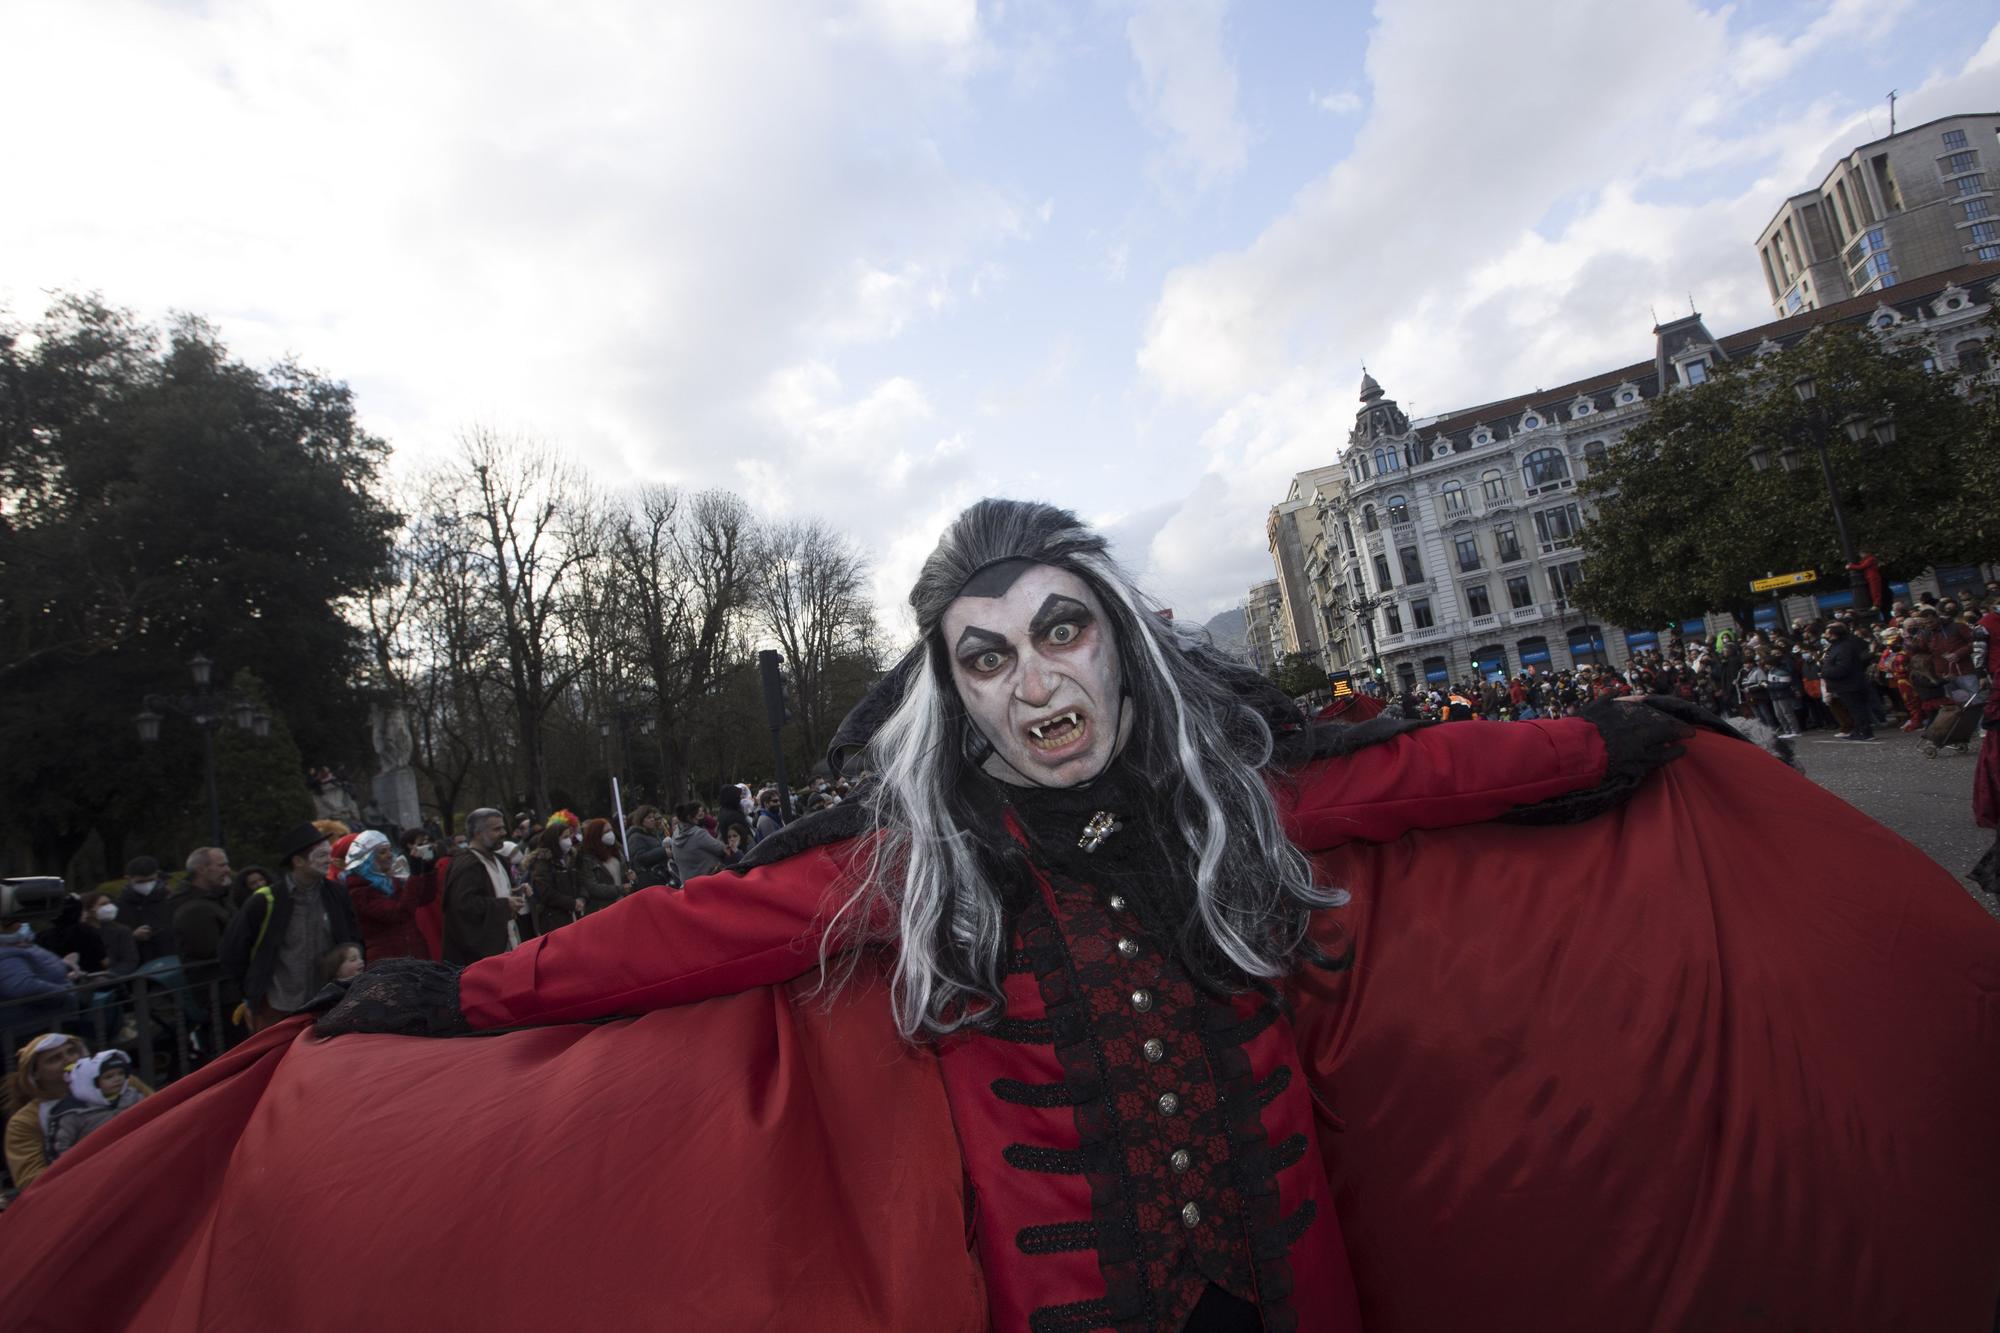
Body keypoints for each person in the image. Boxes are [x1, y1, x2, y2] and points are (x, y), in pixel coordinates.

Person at [8, 499, 2000, 1333]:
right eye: (989, 657)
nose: (1039, 684)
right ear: (946, 689)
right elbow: (679, 937)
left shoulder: (1234, 797)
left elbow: (1420, 775)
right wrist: (458, 997)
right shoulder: (907, 872)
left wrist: (1616, 739)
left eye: (1065, 635)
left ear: (1119, 646)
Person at [218, 824, 362, 1032]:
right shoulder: (265, 901)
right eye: (321, 855)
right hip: (279, 1008)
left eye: (328, 854)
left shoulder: (337, 894)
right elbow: (232, 951)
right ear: (298, 861)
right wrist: (251, 992)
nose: (328, 860)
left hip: (329, 1005)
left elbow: (353, 937)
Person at [441, 809, 529, 965]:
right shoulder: (467, 865)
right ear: (478, 833)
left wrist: (515, 891)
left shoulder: (500, 860)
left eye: (503, 827)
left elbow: (493, 891)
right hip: (482, 958)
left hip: (508, 945)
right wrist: (504, 905)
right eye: (497, 829)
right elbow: (462, 905)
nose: (504, 832)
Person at [4, 1033, 89, 1190]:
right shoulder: (24, 1122)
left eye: (71, 1051)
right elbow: (31, 1181)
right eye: (54, 1059)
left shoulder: (123, 1084)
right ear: (35, 1073)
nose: (69, 1060)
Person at [344, 829, 440, 962]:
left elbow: (424, 898)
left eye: (390, 850)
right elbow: (399, 913)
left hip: (415, 956)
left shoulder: (391, 881)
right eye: (382, 852)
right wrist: (415, 874)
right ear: (367, 859)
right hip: (388, 961)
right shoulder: (359, 891)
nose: (390, 855)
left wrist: (428, 869)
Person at [44, 1050, 148, 1164]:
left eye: (121, 1073)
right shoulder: (72, 1113)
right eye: (109, 1076)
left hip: (137, 1156)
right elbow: (59, 1151)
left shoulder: (133, 1096)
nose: (117, 1079)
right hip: (94, 1168)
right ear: (88, 1082)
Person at [171, 847, 237, 987]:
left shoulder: (219, 898)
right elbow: (210, 951)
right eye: (221, 865)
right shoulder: (192, 909)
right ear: (201, 869)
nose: (228, 870)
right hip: (219, 991)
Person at [0, 919, 80, 1035]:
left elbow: (43, 968)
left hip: (52, 1022)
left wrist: (66, 966)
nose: (20, 925)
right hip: (35, 1028)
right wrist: (66, 993)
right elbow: (24, 987)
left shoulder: (22, 946)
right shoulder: (6, 953)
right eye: (12, 923)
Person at [1817, 621, 1875, 739]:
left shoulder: (1844, 647)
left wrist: (1824, 672)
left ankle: (1865, 732)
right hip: (1844, 684)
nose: (1825, 636)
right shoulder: (1836, 646)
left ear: (1834, 634)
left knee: (1857, 709)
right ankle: (1858, 730)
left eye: (1827, 633)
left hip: (1849, 684)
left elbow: (1843, 668)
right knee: (1853, 710)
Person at [524, 824, 582, 936]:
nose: (568, 840)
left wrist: (582, 898)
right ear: (554, 840)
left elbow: (580, 881)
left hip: (574, 914)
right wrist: (571, 903)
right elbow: (546, 893)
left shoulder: (571, 858)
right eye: (564, 837)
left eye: (569, 836)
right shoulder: (542, 863)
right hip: (555, 920)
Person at [573, 819, 629, 913]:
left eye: (611, 830)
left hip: (624, 903)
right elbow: (592, 887)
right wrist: (620, 889)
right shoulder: (587, 859)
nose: (610, 834)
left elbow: (626, 876)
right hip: (603, 908)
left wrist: (633, 879)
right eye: (606, 832)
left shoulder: (618, 851)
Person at [668, 803, 728, 881]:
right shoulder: (698, 834)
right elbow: (721, 849)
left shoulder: (676, 833)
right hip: (706, 880)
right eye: (697, 815)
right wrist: (721, 836)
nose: (700, 818)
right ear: (690, 817)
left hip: (687, 882)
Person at [624, 807, 675, 889]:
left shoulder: (650, 834)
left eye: (653, 817)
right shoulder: (636, 837)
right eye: (649, 817)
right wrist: (664, 851)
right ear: (641, 820)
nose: (652, 820)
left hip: (659, 878)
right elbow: (640, 858)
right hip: (648, 881)